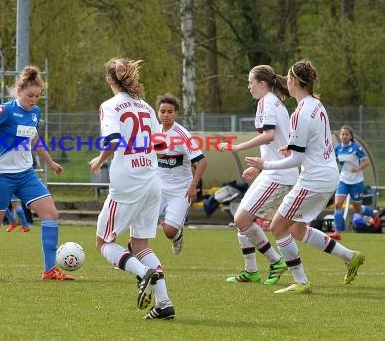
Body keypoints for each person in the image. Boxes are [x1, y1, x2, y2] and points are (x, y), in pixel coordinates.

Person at [246, 60, 365, 293]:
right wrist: (292, 147)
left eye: (288, 78)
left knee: (278, 226)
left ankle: (300, 281)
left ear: (293, 81)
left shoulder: (300, 113)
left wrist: (265, 164)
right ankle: (350, 256)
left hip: (314, 178)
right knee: (297, 229)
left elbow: (297, 161)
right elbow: (312, 143)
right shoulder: (316, 104)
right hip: (329, 173)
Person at [0, 65, 72, 281]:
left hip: (26, 175)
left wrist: (50, 162)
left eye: (38, 96)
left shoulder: (35, 112)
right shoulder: (6, 111)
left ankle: (49, 270)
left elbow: (34, 139)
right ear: (19, 91)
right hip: (1, 176)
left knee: (51, 215)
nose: (34, 100)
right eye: (30, 95)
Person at [89, 57, 174, 320]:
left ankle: (141, 273)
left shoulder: (110, 106)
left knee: (104, 241)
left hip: (128, 181)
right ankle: (164, 304)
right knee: (140, 243)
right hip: (152, 180)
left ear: (108, 79)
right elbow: (158, 143)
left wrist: (100, 159)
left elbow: (113, 140)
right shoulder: (147, 107)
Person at [218, 65, 298, 285]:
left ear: (262, 84)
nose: (249, 87)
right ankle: (251, 271)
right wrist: (260, 167)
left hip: (279, 175)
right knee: (243, 218)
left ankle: (276, 261)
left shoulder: (267, 102)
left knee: (242, 219)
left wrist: (237, 147)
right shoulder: (272, 102)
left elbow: (270, 135)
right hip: (272, 171)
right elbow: (279, 141)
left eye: (251, 82)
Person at [155, 93, 207, 255]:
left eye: (170, 111)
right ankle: (130, 256)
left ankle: (177, 236)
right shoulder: (153, 131)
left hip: (180, 190)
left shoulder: (182, 134)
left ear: (176, 113)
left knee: (169, 231)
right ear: (158, 112)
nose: (166, 115)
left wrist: (193, 187)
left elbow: (202, 162)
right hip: (157, 188)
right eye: (163, 111)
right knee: (141, 224)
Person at [330, 125, 379, 239]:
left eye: (347, 134)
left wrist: (358, 168)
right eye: (342, 134)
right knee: (338, 204)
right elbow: (334, 162)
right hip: (343, 181)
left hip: (356, 182)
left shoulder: (356, 147)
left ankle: (374, 214)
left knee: (357, 208)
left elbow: (366, 162)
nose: (344, 136)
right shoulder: (337, 149)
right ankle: (337, 232)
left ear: (351, 136)